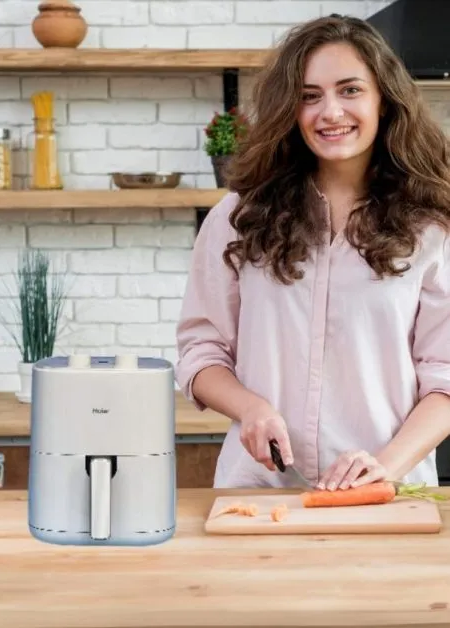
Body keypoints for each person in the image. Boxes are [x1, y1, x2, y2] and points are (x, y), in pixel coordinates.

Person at [175, 14, 450, 491]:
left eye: (349, 90)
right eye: (309, 96)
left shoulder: (431, 227)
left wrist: (387, 466)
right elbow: (201, 353)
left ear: (383, 101)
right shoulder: (238, 216)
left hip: (387, 494)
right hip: (257, 492)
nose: (330, 112)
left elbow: (445, 376)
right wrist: (249, 407)